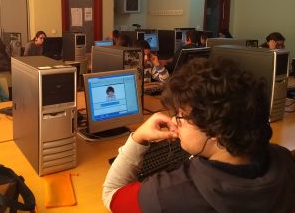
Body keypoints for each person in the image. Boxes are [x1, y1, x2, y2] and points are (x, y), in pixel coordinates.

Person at [103, 57, 295, 212]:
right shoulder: (284, 159)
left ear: (215, 131)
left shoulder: (168, 194)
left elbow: (111, 195)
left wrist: (138, 138)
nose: (176, 123)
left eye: (181, 116)